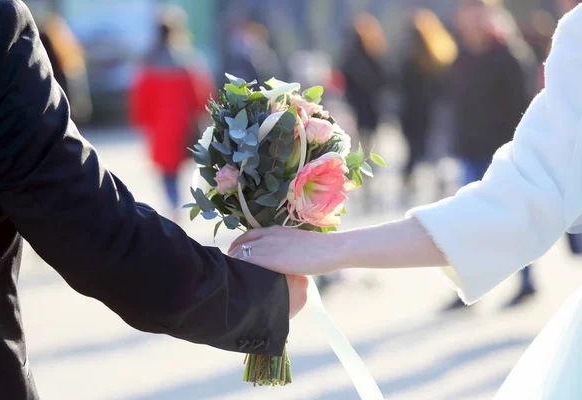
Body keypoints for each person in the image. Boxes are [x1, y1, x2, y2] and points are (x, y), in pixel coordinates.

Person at [230, 3, 582, 398]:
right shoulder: (479, 53)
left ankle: (526, 282)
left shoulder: (535, 48)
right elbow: (518, 199)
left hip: (492, 147)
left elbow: (519, 201)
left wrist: (330, 248)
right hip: (471, 148)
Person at [0, 1, 308, 398]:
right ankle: (174, 209)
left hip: (161, 137)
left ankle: (173, 207)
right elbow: (89, 225)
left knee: (169, 179)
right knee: (171, 179)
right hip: (176, 136)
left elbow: (144, 103)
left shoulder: (151, 65)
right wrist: (254, 298)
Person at [445, 0, 538, 309]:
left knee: (511, 219)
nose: (469, 16)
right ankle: (468, 287)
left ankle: (526, 282)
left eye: (476, 8)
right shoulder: (460, 57)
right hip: (470, 151)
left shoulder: (509, 55)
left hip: (503, 152)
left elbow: (524, 109)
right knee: (467, 221)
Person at [130, 6, 214, 220]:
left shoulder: (148, 63)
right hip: (182, 125)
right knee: (176, 168)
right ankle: (175, 203)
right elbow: (200, 96)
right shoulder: (187, 60)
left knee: (165, 170)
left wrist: (141, 122)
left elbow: (140, 100)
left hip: (158, 127)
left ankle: (172, 203)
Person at [399, 9, 457, 197]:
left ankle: (410, 184)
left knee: (416, 151)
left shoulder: (410, 59)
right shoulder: (438, 56)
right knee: (434, 150)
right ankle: (437, 185)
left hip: (415, 112)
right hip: (429, 111)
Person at [340, 13, 389, 212]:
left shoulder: (351, 56)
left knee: (359, 154)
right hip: (370, 111)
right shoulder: (373, 54)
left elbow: (344, 84)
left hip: (359, 111)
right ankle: (367, 192)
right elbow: (384, 82)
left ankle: (364, 192)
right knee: (369, 153)